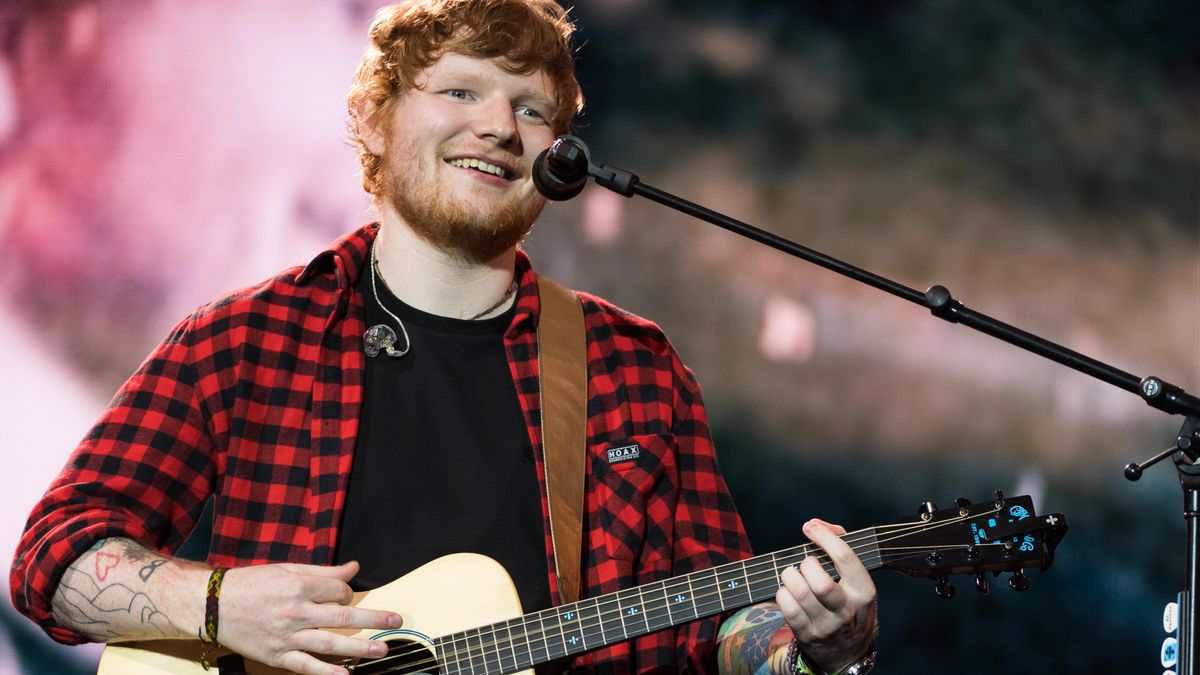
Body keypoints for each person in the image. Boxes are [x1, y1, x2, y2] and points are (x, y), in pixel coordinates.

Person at [9, 1, 878, 674]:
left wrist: (814, 646)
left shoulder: (634, 369)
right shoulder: (242, 342)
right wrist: (217, 606)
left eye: (533, 110)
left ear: (559, 162)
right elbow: (54, 557)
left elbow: (717, 638)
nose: (500, 126)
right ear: (381, 124)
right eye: (461, 90)